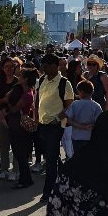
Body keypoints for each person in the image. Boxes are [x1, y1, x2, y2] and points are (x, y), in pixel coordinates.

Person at [36, 53, 74, 202]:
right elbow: (38, 99)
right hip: (42, 124)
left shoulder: (64, 83)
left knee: (51, 161)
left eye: (46, 66)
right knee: (50, 156)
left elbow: (70, 106)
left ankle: (49, 192)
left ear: (54, 65)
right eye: (43, 66)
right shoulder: (42, 80)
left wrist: (58, 118)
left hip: (55, 125)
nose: (44, 69)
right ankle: (66, 178)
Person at [5, 67, 37, 189]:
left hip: (19, 124)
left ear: (26, 79)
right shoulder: (24, 91)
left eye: (21, 77)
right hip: (17, 123)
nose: (18, 78)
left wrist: (8, 103)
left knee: (20, 154)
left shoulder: (27, 94)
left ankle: (25, 179)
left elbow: (14, 108)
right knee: (20, 154)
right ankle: (26, 178)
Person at [0, 58, 19, 180]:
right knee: (3, 144)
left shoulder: (18, 82)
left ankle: (16, 170)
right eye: (6, 66)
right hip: (1, 116)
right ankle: (5, 168)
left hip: (15, 116)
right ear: (3, 68)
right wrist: (3, 101)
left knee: (16, 144)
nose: (9, 69)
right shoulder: (0, 82)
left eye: (11, 66)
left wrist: (7, 105)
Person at [64, 80, 103, 154]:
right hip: (90, 137)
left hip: (77, 137)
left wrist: (81, 126)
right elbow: (99, 122)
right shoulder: (96, 106)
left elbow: (69, 120)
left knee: (78, 159)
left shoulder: (75, 104)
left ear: (81, 92)